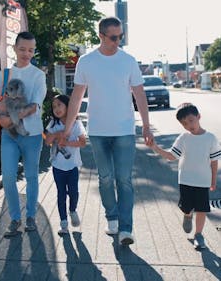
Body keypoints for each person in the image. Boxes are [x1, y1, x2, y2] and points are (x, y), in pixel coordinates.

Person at [61, 16, 154, 246]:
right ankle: (111, 216)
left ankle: (126, 228)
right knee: (105, 179)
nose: (118, 41)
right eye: (114, 37)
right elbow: (77, 96)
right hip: (99, 131)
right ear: (101, 36)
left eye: (121, 36)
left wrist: (146, 125)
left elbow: (140, 94)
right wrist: (68, 127)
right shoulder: (87, 61)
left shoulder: (128, 61)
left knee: (123, 180)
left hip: (124, 130)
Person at [0, 31, 46, 236]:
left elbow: (35, 106)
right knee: (8, 177)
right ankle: (15, 219)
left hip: (32, 134)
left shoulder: (38, 75)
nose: (26, 53)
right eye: (22, 49)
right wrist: (1, 108)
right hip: (9, 135)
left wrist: (12, 117)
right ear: (14, 48)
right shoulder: (5, 74)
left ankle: (30, 217)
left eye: (30, 50)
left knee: (31, 176)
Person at [150, 103, 221, 249]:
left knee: (202, 209)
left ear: (198, 117)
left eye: (190, 120)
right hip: (186, 180)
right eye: (184, 123)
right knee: (187, 207)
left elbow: (214, 162)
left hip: (203, 181)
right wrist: (155, 147)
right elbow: (171, 156)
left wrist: (213, 180)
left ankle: (198, 235)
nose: (188, 125)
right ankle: (188, 215)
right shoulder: (183, 138)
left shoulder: (211, 138)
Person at [45, 94, 87, 235]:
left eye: (59, 105)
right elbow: (47, 141)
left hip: (73, 166)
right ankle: (63, 223)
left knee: (73, 192)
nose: (56, 108)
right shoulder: (53, 124)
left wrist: (67, 142)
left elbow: (82, 142)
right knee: (61, 193)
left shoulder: (76, 123)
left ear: (68, 106)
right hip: (58, 166)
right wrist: (58, 134)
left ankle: (73, 210)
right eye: (54, 106)